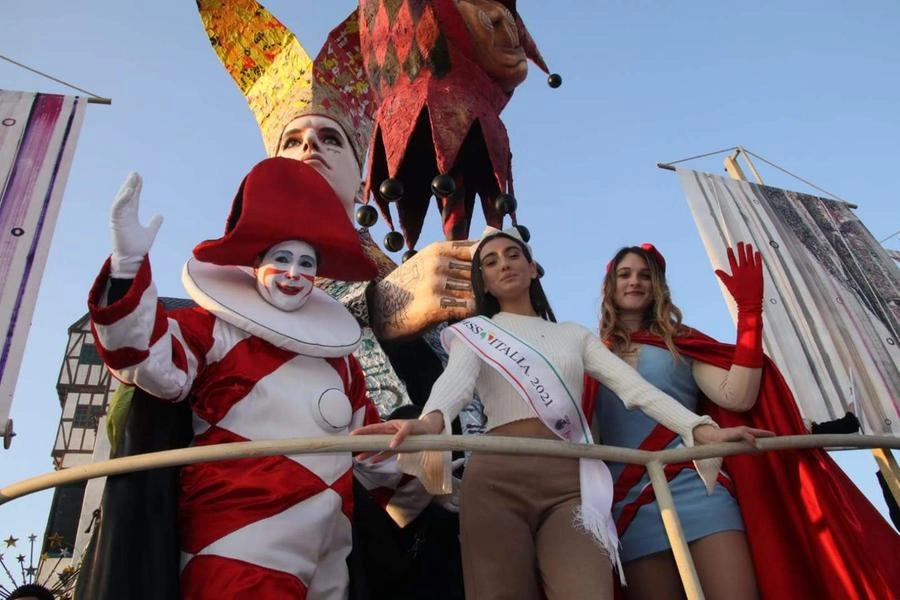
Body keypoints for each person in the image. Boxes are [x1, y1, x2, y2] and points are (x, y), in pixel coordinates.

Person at [352, 227, 772, 599]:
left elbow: (636, 391)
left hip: (571, 483)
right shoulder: (473, 334)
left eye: (513, 255)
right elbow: (455, 386)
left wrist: (699, 431)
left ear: (533, 267)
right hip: (497, 478)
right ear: (484, 280)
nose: (505, 265)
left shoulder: (575, 336)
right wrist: (428, 421)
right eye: (491, 262)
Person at [86, 157, 413, 599]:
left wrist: (439, 477)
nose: (295, 273)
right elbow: (146, 359)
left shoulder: (340, 362)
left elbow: (373, 453)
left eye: (306, 261)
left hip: (329, 547)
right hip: (235, 541)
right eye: (282, 258)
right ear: (255, 263)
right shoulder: (217, 329)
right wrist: (127, 266)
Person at [585, 243, 900, 599]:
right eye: (625, 275)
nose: (635, 282)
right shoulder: (590, 355)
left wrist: (750, 315)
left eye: (645, 275)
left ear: (659, 286)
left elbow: (737, 396)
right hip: (628, 502)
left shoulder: (680, 343)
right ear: (610, 286)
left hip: (698, 488)